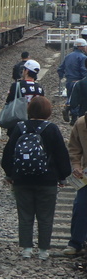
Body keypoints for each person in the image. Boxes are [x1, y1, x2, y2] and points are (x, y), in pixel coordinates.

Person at [0, 95, 71, 260]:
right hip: (47, 181)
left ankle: (26, 248)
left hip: (22, 180)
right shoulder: (52, 129)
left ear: (29, 110)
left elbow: (8, 153)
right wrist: (62, 177)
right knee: (45, 216)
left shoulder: (19, 127)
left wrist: (10, 174)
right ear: (48, 111)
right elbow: (62, 155)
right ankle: (43, 250)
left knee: (25, 215)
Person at [61, 110, 87, 257]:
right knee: (81, 206)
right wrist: (76, 165)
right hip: (86, 172)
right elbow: (74, 148)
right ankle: (76, 242)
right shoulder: (81, 123)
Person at [59, 39, 87, 112]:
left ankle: (68, 109)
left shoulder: (68, 56)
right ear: (81, 47)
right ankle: (74, 118)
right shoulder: (83, 57)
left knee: (70, 97)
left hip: (69, 81)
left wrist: (62, 78)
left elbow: (60, 69)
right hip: (78, 82)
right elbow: (84, 71)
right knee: (78, 99)